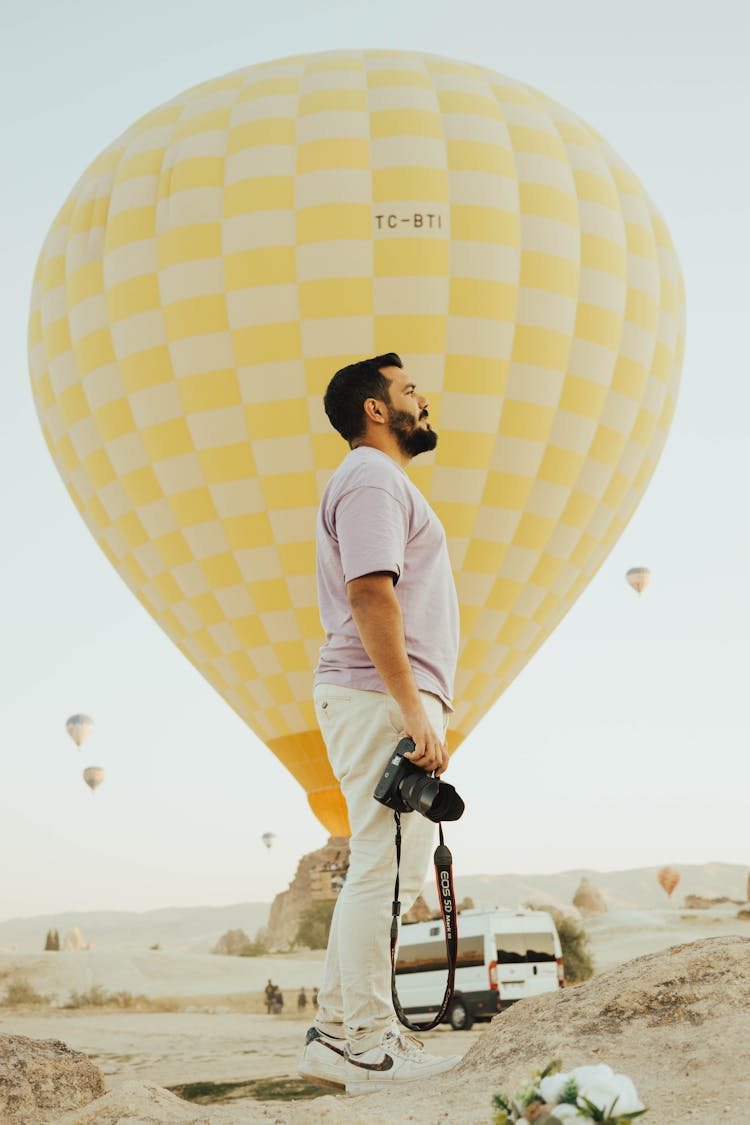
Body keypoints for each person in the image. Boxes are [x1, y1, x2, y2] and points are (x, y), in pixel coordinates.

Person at [297, 353, 461, 1095]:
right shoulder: (372, 476)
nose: (422, 400)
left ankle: (337, 1034)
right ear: (374, 408)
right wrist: (411, 706)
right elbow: (371, 593)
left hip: (372, 694)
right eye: (409, 390)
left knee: (380, 862)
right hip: (378, 695)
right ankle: (368, 1043)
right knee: (387, 868)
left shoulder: (377, 481)